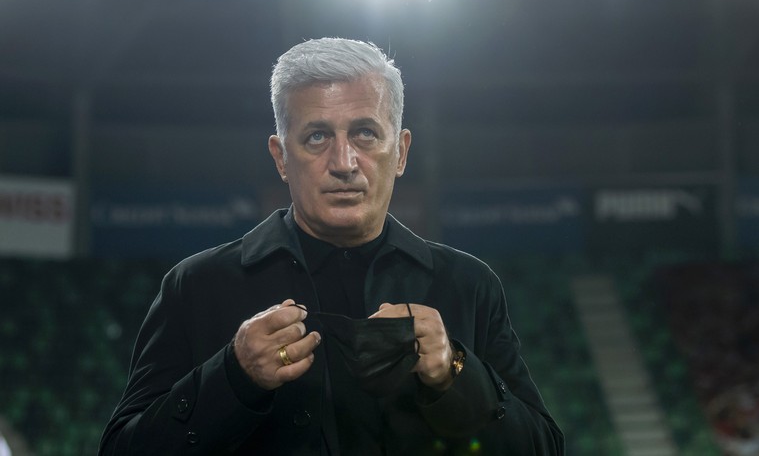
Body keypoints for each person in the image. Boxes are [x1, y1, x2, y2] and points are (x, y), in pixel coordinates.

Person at [99, 38, 564, 455]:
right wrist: (233, 377)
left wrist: (455, 373)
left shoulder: (468, 285)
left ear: (400, 152)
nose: (344, 163)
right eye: (317, 137)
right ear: (281, 158)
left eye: (365, 133)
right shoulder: (198, 286)